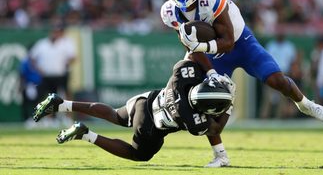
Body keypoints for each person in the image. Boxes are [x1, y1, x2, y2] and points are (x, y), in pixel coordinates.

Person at [160, 0, 323, 167]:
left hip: (241, 44)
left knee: (276, 80)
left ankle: (305, 104)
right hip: (212, 55)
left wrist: (200, 48)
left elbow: (229, 43)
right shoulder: (169, 12)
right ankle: (221, 156)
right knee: (208, 107)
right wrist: (211, 72)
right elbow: (189, 47)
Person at [32, 58, 236, 163]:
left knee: (114, 114)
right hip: (149, 127)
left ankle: (62, 104)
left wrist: (211, 74)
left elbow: (191, 56)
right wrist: (230, 105)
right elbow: (216, 129)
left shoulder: (183, 75)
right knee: (139, 155)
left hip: (145, 100)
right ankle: (85, 134)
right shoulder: (195, 120)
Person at [30, 23, 76, 126]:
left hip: (61, 75)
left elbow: (73, 57)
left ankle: (67, 118)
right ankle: (46, 118)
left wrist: (65, 63)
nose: (56, 33)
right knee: (45, 98)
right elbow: (32, 58)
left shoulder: (66, 43)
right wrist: (38, 69)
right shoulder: (42, 44)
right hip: (46, 76)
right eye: (55, 31)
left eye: (58, 31)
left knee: (64, 97)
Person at [260, 32, 297, 119]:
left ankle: (278, 119)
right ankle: (264, 119)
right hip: (271, 74)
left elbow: (293, 62)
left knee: (282, 99)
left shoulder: (289, 47)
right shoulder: (271, 45)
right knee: (267, 98)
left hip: (284, 74)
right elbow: (265, 61)